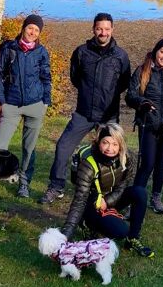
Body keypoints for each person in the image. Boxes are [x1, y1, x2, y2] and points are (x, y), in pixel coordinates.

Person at [40, 12, 131, 204]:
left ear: (112, 29)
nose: (103, 33)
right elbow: (76, 78)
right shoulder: (81, 52)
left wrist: (107, 96)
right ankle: (56, 186)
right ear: (93, 29)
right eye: (99, 29)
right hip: (84, 113)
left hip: (108, 114)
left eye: (107, 29)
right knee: (63, 146)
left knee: (112, 151)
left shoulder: (121, 56)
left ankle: (111, 191)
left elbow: (124, 83)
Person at [60, 124, 154, 258]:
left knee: (140, 192)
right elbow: (79, 200)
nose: (110, 148)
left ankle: (133, 238)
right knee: (120, 231)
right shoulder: (88, 163)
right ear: (98, 142)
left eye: (115, 144)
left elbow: (125, 183)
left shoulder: (127, 156)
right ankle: (87, 223)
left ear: (121, 145)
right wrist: (65, 236)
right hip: (91, 203)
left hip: (110, 199)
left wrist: (108, 201)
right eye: (105, 143)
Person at [125, 38, 163, 214]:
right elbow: (130, 96)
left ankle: (156, 198)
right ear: (155, 51)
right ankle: (134, 201)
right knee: (148, 163)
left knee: (161, 163)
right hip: (148, 125)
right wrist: (142, 103)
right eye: (162, 52)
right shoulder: (143, 70)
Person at [0, 14, 52, 199]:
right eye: (30, 28)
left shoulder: (41, 52)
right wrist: (2, 101)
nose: (32, 32)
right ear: (23, 28)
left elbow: (46, 78)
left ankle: (24, 183)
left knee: (29, 148)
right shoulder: (8, 48)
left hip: (35, 105)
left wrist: (45, 103)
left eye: (36, 30)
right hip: (11, 104)